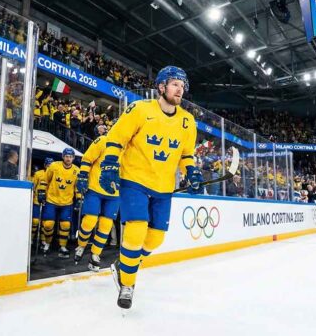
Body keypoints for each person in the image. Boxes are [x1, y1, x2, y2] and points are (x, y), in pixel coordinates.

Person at [99, 66, 203, 309]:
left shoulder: (188, 121)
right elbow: (116, 139)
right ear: (161, 87)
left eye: (182, 85)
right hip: (134, 180)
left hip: (164, 187)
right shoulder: (140, 109)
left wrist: (192, 173)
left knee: (155, 239)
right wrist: (109, 166)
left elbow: (186, 155)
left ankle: (124, 265)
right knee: (135, 231)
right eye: (174, 83)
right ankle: (127, 284)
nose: (180, 89)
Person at [74, 133, 120, 271]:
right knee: (89, 221)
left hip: (115, 193)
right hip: (95, 189)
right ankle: (81, 245)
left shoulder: (130, 147)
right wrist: (83, 175)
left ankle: (95, 254)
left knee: (106, 225)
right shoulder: (103, 140)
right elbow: (87, 158)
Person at [41, 148, 81, 258]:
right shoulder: (54, 166)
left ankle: (63, 246)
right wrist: (41, 192)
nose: (68, 158)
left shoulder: (76, 170)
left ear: (73, 158)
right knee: (48, 224)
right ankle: (47, 244)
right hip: (51, 200)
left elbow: (77, 186)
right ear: (63, 156)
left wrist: (78, 198)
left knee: (65, 225)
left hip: (67, 202)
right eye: (66, 156)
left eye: (70, 157)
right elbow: (45, 179)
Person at [31, 157, 53, 245]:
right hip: (37, 200)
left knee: (45, 222)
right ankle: (31, 239)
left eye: (51, 166)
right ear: (45, 165)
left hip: (49, 201)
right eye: (48, 165)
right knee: (35, 221)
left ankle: (43, 240)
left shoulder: (55, 175)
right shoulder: (38, 174)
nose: (49, 167)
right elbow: (33, 187)